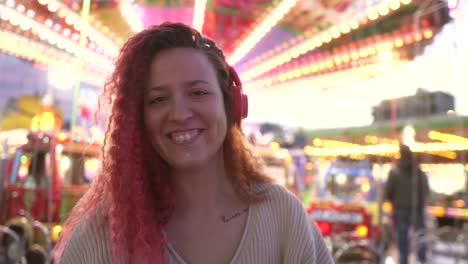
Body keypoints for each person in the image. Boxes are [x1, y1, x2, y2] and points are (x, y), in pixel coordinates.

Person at [54, 22, 333, 264]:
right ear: (139, 120)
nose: (179, 114)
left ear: (231, 106)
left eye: (198, 92)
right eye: (158, 99)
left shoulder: (283, 217)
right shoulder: (103, 234)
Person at [385, 144, 430, 264]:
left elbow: (388, 192)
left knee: (403, 242)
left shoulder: (394, 172)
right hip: (417, 209)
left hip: (400, 211)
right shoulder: (419, 172)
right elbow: (425, 191)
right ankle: (422, 260)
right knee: (420, 238)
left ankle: (403, 261)